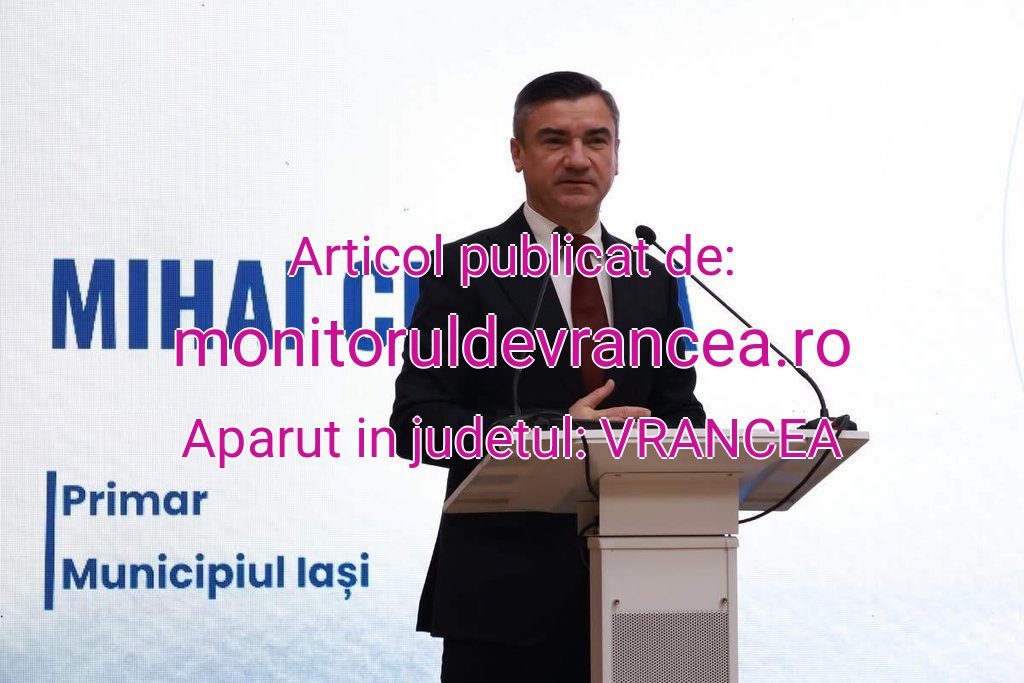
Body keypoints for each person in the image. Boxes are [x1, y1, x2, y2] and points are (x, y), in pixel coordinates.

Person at [390, 71, 706, 682]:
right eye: (555, 140)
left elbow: (679, 413)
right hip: (504, 599)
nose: (578, 159)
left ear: (617, 154)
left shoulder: (651, 275)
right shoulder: (464, 269)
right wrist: (551, 434)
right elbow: (417, 423)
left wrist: (677, 444)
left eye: (596, 140)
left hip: (648, 595)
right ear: (518, 153)